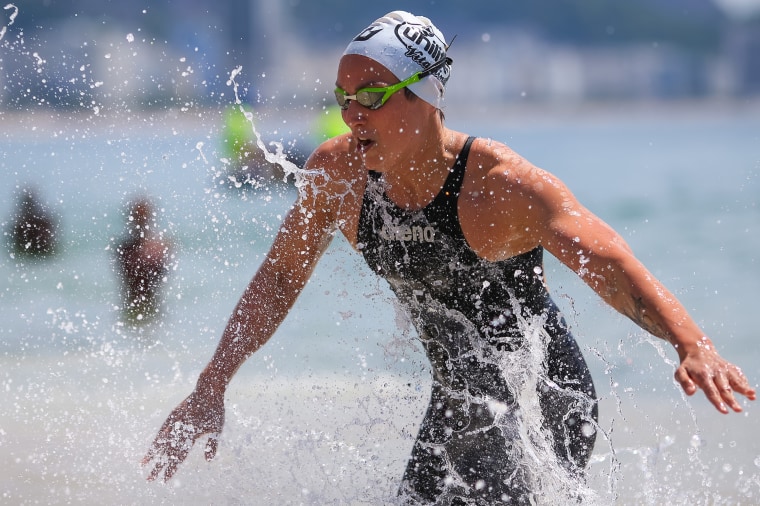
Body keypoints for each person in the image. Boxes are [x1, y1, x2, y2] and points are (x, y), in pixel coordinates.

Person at [143, 11, 755, 503]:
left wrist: (691, 343)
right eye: (344, 96)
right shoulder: (338, 174)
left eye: (373, 95)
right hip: (459, 399)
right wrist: (211, 385)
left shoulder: (500, 186)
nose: (353, 112)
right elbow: (279, 278)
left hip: (545, 398)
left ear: (426, 96)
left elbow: (609, 261)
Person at [114, 196, 173, 325]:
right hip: (133, 304)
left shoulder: (158, 248)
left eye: (141, 218)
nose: (139, 223)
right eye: (137, 218)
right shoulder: (125, 248)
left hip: (150, 305)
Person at [7, 185, 60, 259]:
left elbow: (16, 245)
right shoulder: (43, 219)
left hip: (29, 253)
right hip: (44, 252)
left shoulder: (20, 224)